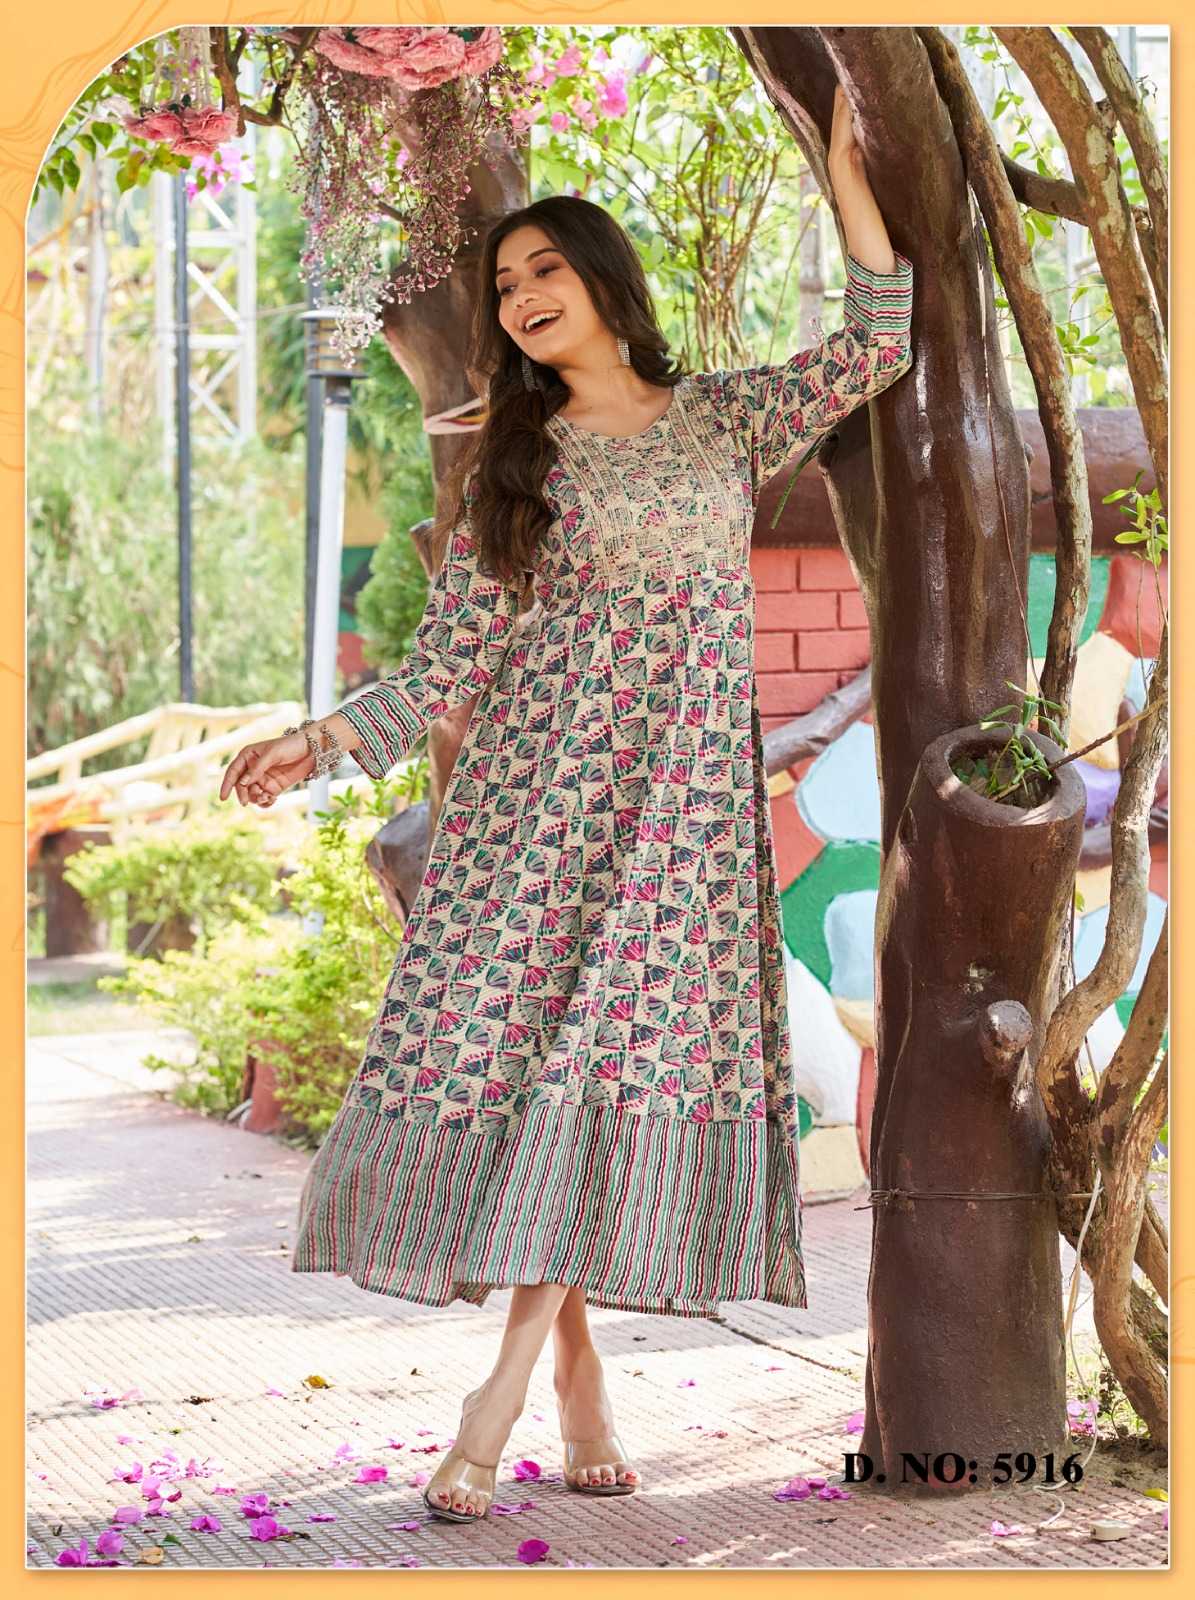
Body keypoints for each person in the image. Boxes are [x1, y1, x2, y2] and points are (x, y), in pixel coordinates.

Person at [219, 84, 915, 1524]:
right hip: (532, 817)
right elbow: (452, 663)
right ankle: (579, 1376)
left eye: (544, 268)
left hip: (679, 820)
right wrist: (322, 738)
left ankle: (497, 1402)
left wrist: (848, 176)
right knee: (544, 1076)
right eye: (503, 283)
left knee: (599, 1070)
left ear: (604, 278)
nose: (521, 295)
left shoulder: (722, 419)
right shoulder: (516, 461)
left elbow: (877, 340)